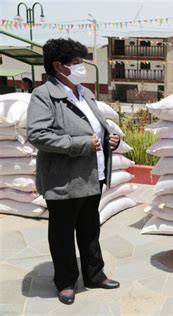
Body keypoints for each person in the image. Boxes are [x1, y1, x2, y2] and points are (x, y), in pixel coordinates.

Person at [27, 38, 121, 305]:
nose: (82, 67)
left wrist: (107, 140)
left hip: (92, 175)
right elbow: (37, 134)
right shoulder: (44, 95)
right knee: (63, 233)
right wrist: (80, 144)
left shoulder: (85, 93)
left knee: (91, 229)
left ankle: (94, 274)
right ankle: (66, 281)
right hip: (64, 180)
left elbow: (97, 129)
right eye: (77, 63)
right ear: (59, 66)